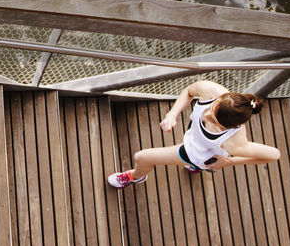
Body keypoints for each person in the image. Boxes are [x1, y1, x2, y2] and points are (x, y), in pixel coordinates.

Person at [108, 79, 279, 188]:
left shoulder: (234, 142)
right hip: (197, 138)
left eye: (213, 119)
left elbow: (274, 155)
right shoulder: (211, 91)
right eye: (211, 108)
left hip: (194, 152)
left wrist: (229, 161)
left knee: (142, 157)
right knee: (197, 165)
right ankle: (195, 168)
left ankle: (135, 176)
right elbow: (190, 91)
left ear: (229, 126)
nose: (205, 115)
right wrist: (172, 114)